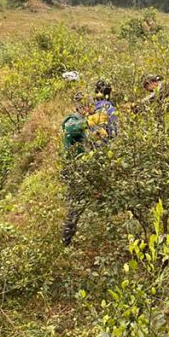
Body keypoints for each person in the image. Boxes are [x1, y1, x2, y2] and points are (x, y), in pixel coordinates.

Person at [60, 80, 118, 246]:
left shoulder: (83, 121)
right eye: (89, 107)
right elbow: (71, 128)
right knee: (75, 206)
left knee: (99, 197)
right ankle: (66, 241)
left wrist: (97, 135)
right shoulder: (72, 119)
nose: (91, 109)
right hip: (75, 170)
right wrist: (89, 122)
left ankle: (101, 234)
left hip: (85, 169)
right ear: (83, 107)